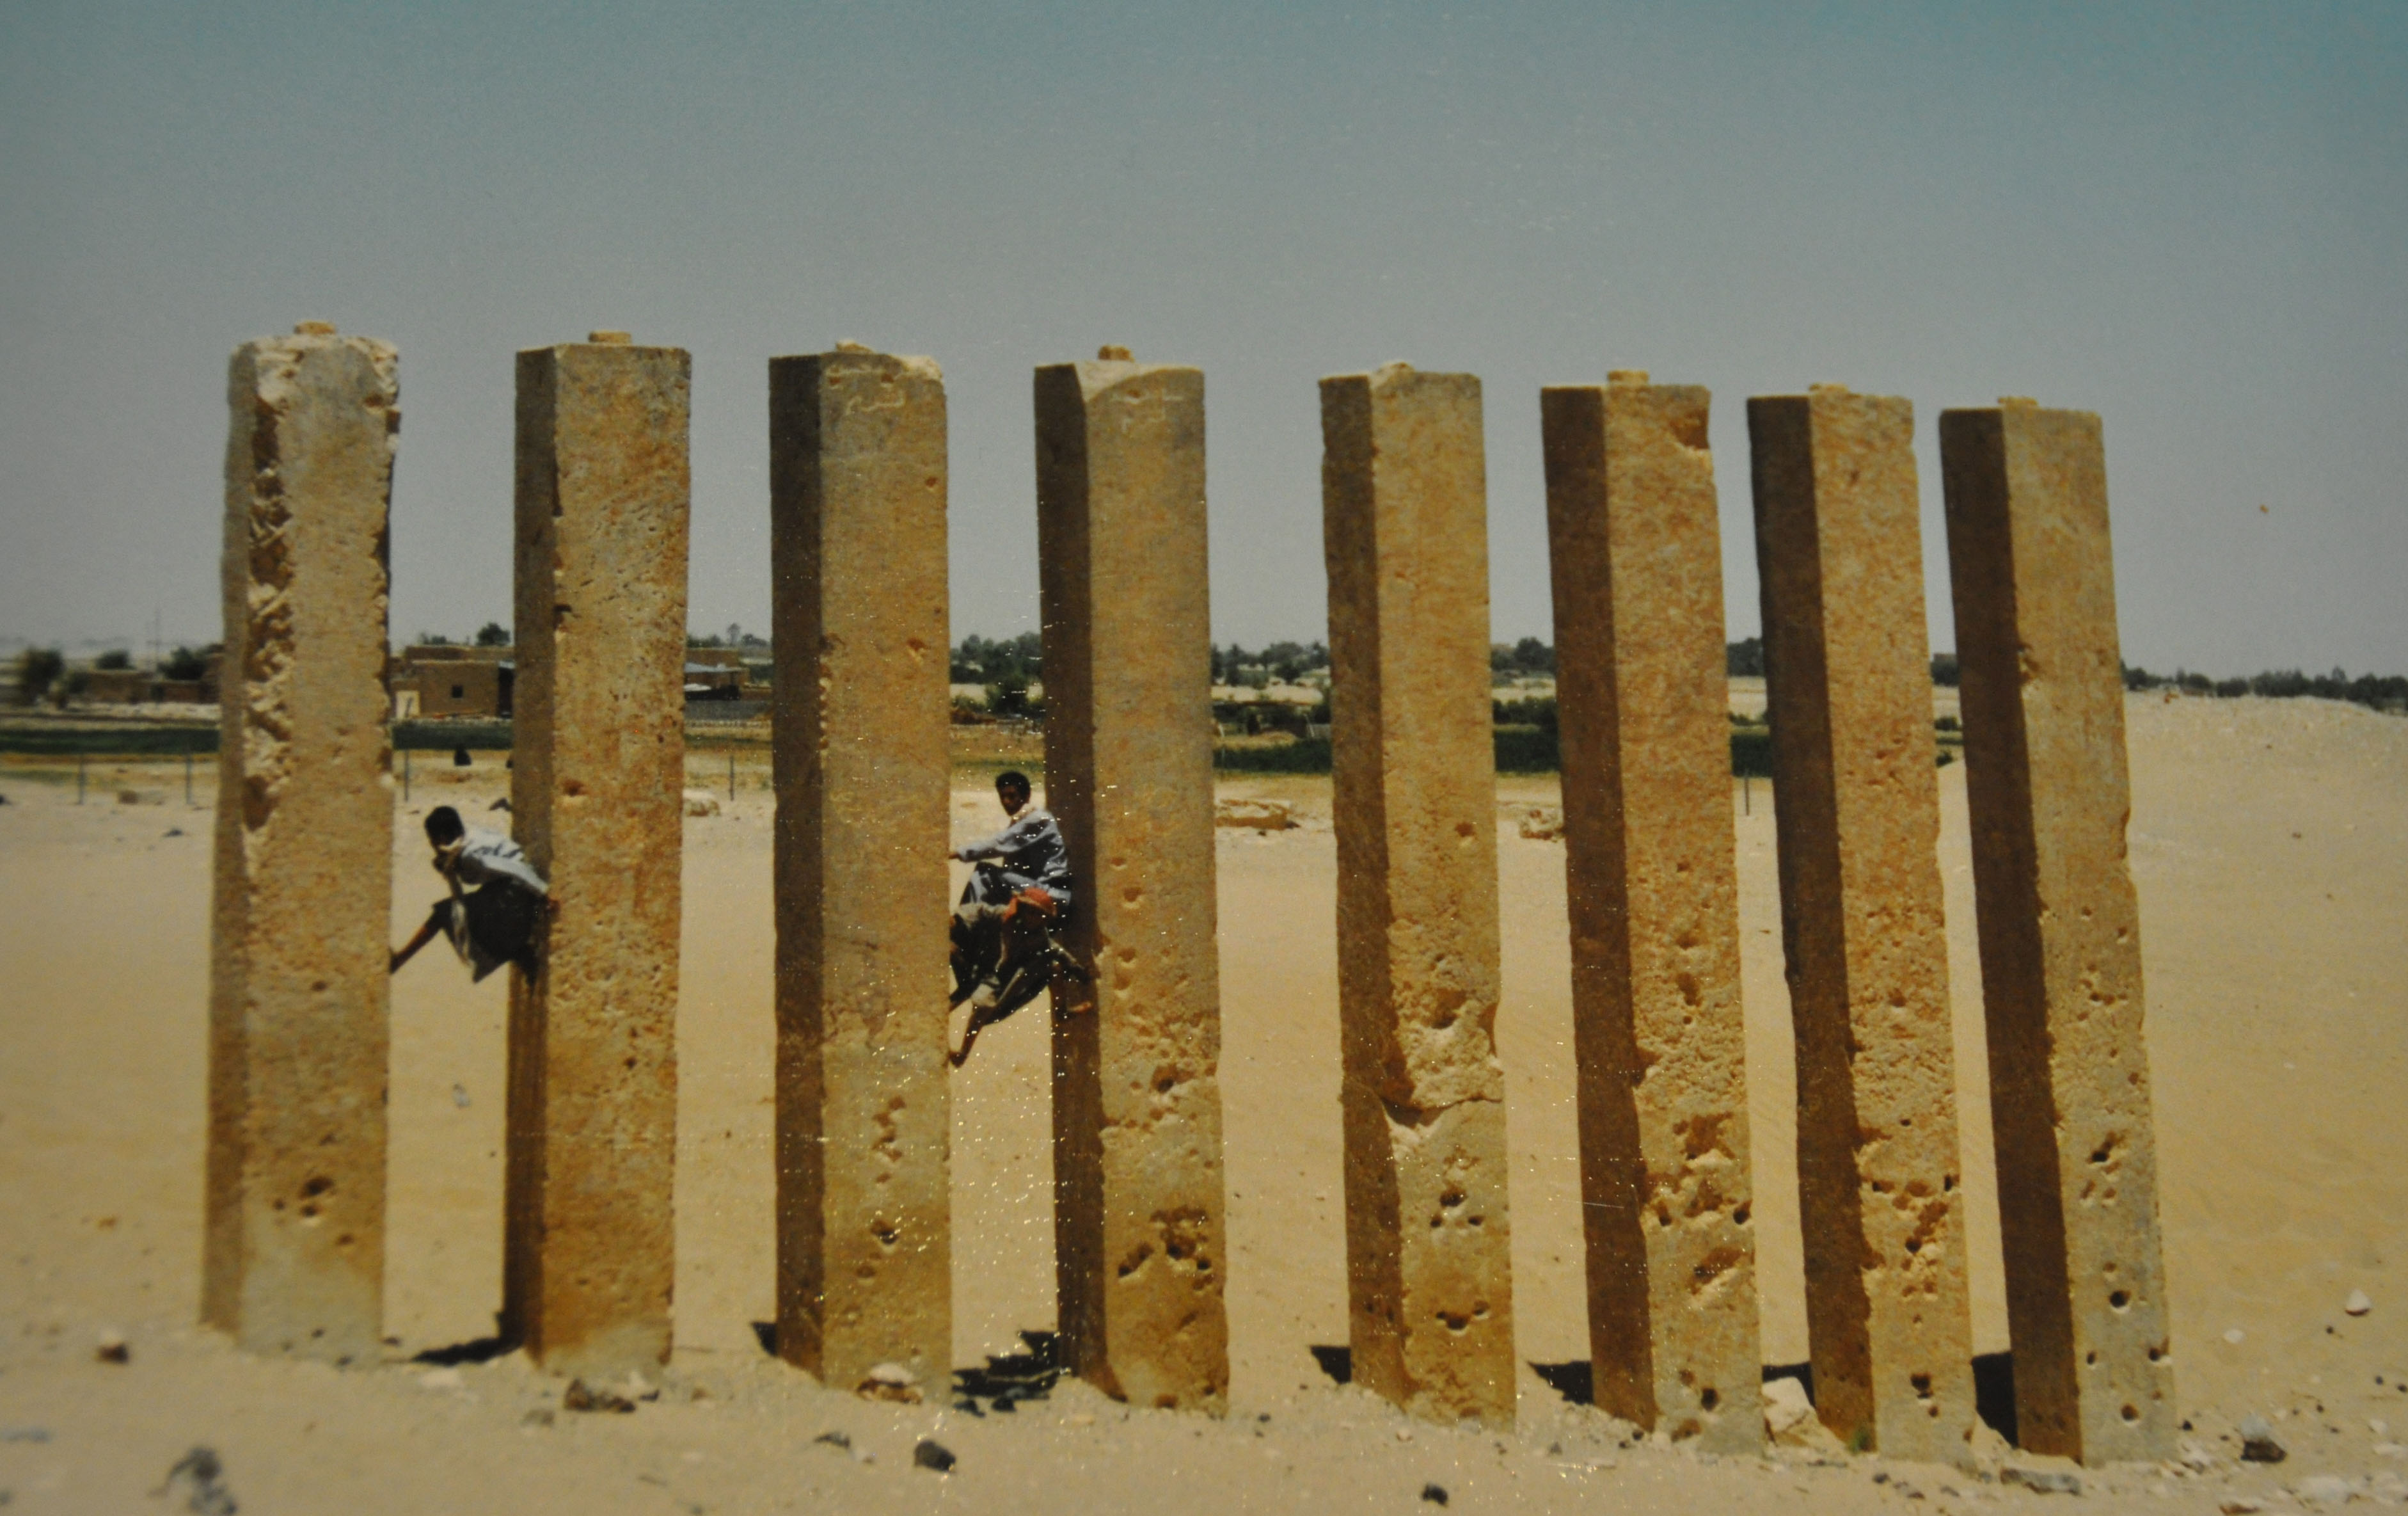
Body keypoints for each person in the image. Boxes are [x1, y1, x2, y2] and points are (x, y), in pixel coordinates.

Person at [947, 770, 1083, 1065]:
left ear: (1026, 796)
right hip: (1038, 893)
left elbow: (1000, 844)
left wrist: (956, 853)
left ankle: (965, 931)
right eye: (1003, 797)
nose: (1007, 802)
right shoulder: (1022, 822)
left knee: (986, 872)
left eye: (1013, 796)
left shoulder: (1039, 820)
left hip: (1052, 895)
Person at [389, 805, 550, 982]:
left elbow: (515, 869)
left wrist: (544, 893)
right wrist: (451, 868)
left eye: (431, 839)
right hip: (509, 893)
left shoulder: (469, 856)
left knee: (444, 915)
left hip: (518, 895)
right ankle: (518, 951)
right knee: (465, 914)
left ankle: (399, 959)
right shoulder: (466, 842)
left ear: (441, 838)